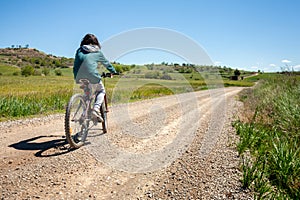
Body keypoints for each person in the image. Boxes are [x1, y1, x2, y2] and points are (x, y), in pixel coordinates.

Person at [73, 33, 117, 122]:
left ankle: (84, 113)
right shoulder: (97, 52)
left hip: (78, 76)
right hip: (92, 76)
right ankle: (96, 109)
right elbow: (107, 64)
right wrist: (113, 71)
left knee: (87, 94)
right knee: (101, 91)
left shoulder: (79, 50)